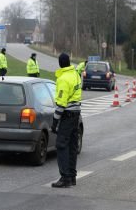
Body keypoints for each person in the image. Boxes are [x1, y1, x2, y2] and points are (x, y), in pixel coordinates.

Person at [51, 53, 82, 188]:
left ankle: (65, 178)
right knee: (72, 146)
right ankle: (72, 176)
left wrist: (55, 121)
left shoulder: (63, 79)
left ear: (59, 63)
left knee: (61, 145)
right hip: (76, 113)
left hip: (67, 114)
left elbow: (61, 104)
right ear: (69, 62)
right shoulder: (75, 74)